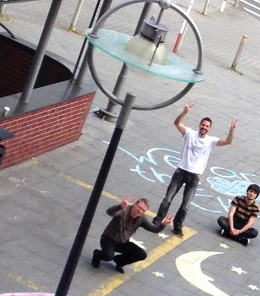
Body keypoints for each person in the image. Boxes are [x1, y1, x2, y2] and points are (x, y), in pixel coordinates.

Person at [156, 102, 236, 237]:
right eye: (203, 125)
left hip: (194, 176)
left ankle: (177, 226)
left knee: (185, 205)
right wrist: (184, 112)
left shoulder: (211, 141)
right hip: (181, 171)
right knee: (167, 198)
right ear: (199, 125)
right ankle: (158, 219)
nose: (204, 127)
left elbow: (228, 141)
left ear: (209, 128)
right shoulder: (190, 134)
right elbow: (176, 123)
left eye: (207, 126)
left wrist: (231, 130)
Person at [92, 196, 172, 274]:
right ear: (135, 204)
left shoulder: (141, 218)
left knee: (141, 254)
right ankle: (97, 255)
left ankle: (119, 261)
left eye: (143, 210)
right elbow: (109, 212)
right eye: (139, 207)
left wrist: (163, 224)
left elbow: (153, 229)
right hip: (109, 238)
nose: (140, 211)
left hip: (123, 241)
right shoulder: (124, 210)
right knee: (108, 256)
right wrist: (120, 206)